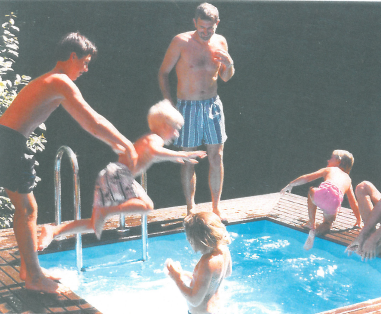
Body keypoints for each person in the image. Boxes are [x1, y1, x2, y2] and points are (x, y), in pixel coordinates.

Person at [0, 32, 139, 294]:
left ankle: (30, 270)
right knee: (27, 210)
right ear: (72, 56)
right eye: (85, 62)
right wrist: (126, 144)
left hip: (7, 140)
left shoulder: (51, 80)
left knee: (26, 209)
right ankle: (34, 277)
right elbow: (92, 121)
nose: (85, 69)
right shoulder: (60, 81)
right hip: (7, 142)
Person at [38, 99, 207, 248]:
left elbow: (150, 155)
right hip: (119, 176)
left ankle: (53, 230)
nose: (177, 133)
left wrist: (174, 158)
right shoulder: (155, 139)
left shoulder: (148, 140)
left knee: (94, 225)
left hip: (114, 175)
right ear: (164, 126)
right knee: (147, 206)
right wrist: (183, 154)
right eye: (175, 129)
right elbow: (155, 152)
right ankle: (108, 210)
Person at [158, 2, 235, 221]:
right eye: (202, 28)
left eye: (210, 28)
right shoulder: (180, 41)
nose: (205, 32)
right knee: (189, 158)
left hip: (212, 105)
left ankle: (216, 208)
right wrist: (169, 102)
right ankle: (190, 208)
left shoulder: (220, 42)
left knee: (216, 156)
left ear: (217, 24)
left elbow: (225, 77)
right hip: (187, 106)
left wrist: (229, 65)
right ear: (194, 22)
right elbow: (163, 73)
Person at [281, 150, 360, 249]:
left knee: (311, 191)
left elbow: (307, 178)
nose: (328, 160)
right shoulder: (348, 179)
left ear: (338, 161)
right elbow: (353, 202)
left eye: (331, 157)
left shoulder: (330, 170)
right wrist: (358, 219)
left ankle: (311, 222)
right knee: (327, 223)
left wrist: (290, 184)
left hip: (320, 195)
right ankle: (315, 232)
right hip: (335, 202)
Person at [166, 211, 232, 314]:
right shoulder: (224, 250)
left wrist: (177, 279)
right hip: (216, 309)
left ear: (195, 240)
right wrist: (185, 274)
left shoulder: (207, 263)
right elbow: (226, 274)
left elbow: (194, 300)